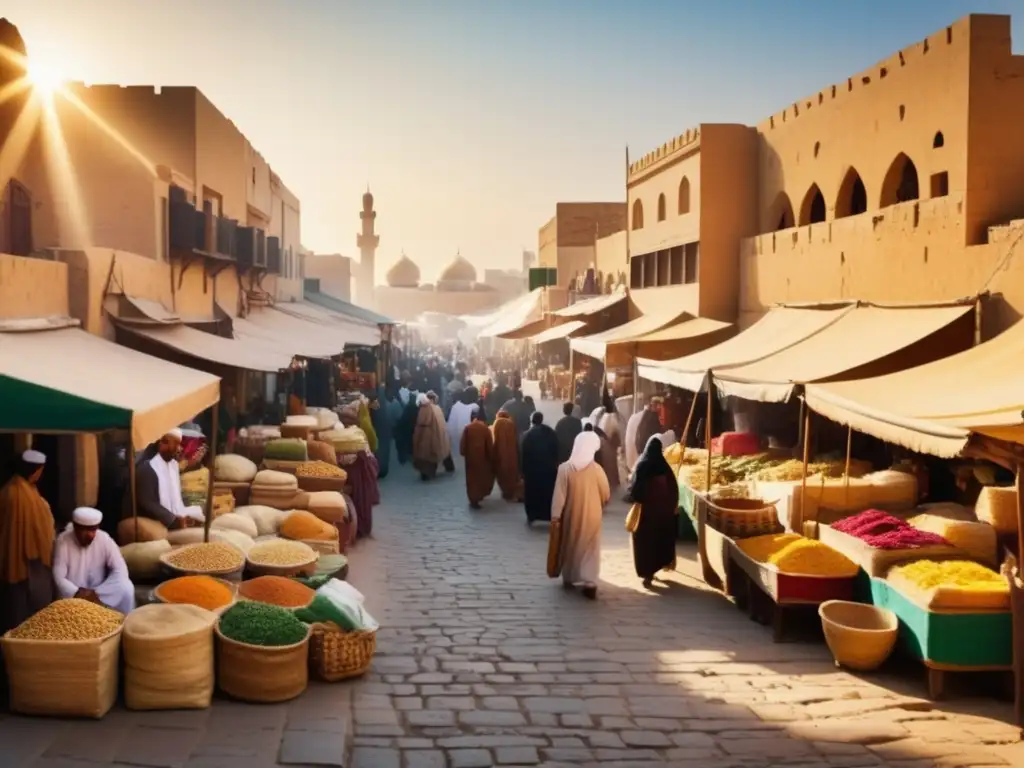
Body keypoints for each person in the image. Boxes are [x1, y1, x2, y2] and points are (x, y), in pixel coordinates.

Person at [0, 450, 55, 635]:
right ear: (34, 470)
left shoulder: (14, 489)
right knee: (22, 609)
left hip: (17, 558)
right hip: (26, 560)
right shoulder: (16, 493)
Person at [551, 431, 610, 599]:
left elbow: (559, 496)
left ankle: (570, 576)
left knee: (571, 543)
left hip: (572, 514)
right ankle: (589, 580)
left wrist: (556, 515)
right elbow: (606, 493)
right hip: (593, 514)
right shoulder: (597, 470)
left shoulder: (565, 469)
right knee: (591, 546)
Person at [53, 507, 135, 614]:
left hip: (99, 593)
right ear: (75, 527)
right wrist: (77, 592)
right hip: (74, 595)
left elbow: (120, 569)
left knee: (127, 587)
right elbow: (58, 577)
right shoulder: (63, 541)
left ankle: (124, 622)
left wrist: (98, 592)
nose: (88, 535)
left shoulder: (104, 539)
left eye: (92, 530)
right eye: (83, 530)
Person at [626, 436, 680, 589]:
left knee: (644, 544)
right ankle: (656, 568)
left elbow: (635, 490)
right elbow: (674, 491)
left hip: (645, 515)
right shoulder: (665, 467)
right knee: (658, 542)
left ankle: (646, 573)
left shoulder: (642, 466)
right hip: (662, 515)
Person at [131, 429, 205, 527]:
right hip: (157, 520)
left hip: (174, 516)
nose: (180, 449)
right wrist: (173, 520)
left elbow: (176, 497)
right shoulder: (147, 468)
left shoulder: (173, 466)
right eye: (176, 444)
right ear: (163, 443)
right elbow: (147, 502)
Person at [521, 412, 560, 524]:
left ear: (533, 421)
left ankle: (532, 515)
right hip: (548, 469)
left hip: (532, 471)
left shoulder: (528, 435)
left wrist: (523, 471)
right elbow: (556, 449)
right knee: (548, 492)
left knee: (532, 493)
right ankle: (548, 514)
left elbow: (524, 453)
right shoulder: (550, 433)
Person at [461, 411, 495, 508]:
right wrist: (491, 457)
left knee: (471, 479)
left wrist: (463, 452)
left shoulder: (468, 428)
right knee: (480, 478)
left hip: (470, 458)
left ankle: (473, 498)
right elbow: (489, 445)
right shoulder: (485, 429)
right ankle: (479, 496)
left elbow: (463, 444)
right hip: (482, 458)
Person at [413, 392, 450, 480]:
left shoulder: (426, 408)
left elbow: (423, 421)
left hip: (425, 435)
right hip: (435, 435)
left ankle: (426, 473)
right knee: (431, 455)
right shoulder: (437, 408)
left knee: (425, 455)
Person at [491, 409, 521, 501]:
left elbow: (494, 440)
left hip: (501, 454)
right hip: (512, 454)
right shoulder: (511, 423)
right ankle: (511, 492)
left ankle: (506, 492)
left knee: (502, 474)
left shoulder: (496, 423)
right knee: (512, 473)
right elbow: (516, 440)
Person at [371, 385, 399, 480]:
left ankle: (380, 468)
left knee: (380, 449)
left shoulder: (377, 403)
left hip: (378, 429)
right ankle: (383, 468)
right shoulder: (384, 403)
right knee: (384, 448)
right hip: (384, 430)